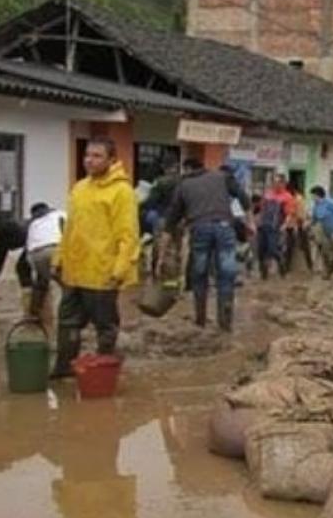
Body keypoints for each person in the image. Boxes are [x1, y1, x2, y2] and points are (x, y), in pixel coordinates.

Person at [51, 138, 139, 377]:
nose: (90, 160)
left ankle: (102, 370)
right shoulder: (79, 188)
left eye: (97, 156)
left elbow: (128, 234)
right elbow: (69, 228)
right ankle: (63, 368)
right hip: (75, 269)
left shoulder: (122, 191)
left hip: (102, 271)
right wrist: (58, 259)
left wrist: (120, 269)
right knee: (67, 321)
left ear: (112, 160)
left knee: (105, 325)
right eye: (87, 155)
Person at [158, 158, 253, 330]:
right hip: (225, 228)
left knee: (199, 275)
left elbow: (169, 223)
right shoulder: (222, 177)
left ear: (187, 169)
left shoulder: (183, 186)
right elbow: (244, 198)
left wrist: (161, 257)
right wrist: (251, 222)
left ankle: (200, 320)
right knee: (226, 275)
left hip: (199, 229)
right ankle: (225, 321)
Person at [23, 203, 66, 320]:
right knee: (68, 286)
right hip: (54, 249)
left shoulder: (31, 223)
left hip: (34, 255)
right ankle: (73, 316)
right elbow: (70, 233)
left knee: (41, 282)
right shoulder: (59, 214)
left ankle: (33, 314)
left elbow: (27, 246)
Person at [254, 174, 296, 280]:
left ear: (283, 183)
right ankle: (263, 274)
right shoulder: (268, 194)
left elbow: (289, 214)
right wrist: (256, 221)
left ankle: (282, 268)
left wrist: (284, 225)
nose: (276, 184)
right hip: (263, 226)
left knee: (272, 249)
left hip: (275, 227)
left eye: (278, 182)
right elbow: (261, 209)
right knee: (260, 250)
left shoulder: (287, 197)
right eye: (275, 182)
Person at [308, 186, 333, 271]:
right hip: (324, 230)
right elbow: (314, 219)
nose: (312, 198)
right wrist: (308, 225)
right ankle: (328, 268)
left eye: (313, 196)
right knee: (325, 249)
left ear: (317, 195)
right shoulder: (316, 206)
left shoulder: (330, 203)